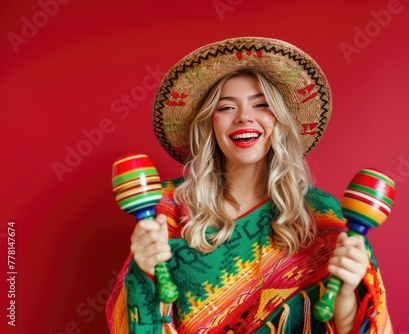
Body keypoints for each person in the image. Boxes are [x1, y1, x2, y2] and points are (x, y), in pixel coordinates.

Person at [106, 37, 392, 334]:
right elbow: (139, 324)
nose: (244, 117)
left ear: (280, 121)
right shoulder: (164, 209)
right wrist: (144, 272)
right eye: (227, 107)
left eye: (261, 105)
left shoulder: (321, 217)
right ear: (210, 123)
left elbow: (355, 327)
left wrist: (347, 290)